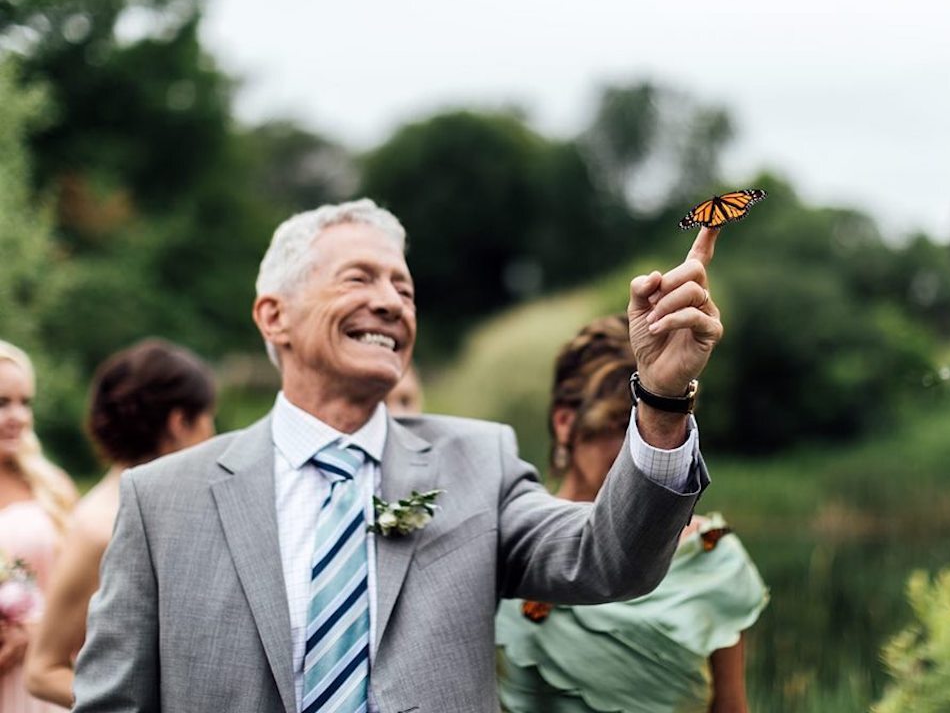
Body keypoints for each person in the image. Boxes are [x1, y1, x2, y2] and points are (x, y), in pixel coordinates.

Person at [73, 197, 724, 713]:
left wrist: (662, 399)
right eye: (359, 279)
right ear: (274, 317)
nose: (389, 302)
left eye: (404, 290)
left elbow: (610, 563)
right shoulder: (162, 499)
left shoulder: (479, 460)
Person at [496, 314, 768, 713]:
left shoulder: (713, 561)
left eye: (658, 422)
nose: (638, 444)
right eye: (619, 424)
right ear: (566, 423)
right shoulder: (508, 540)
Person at [25, 339, 216, 708]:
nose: (213, 434)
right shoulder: (100, 524)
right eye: (209, 418)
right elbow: (42, 670)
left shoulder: (180, 504)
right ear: (179, 422)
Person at [0, 340, 77, 713]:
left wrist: (33, 631)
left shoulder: (52, 487)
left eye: (24, 402)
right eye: (2, 403)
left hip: (40, 681)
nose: (18, 416)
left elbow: (87, 593)